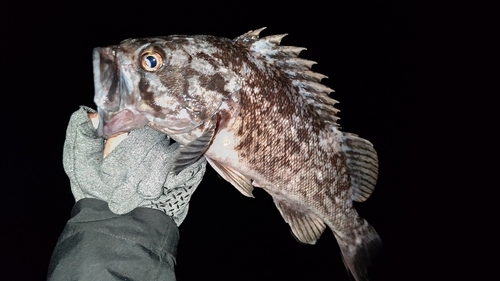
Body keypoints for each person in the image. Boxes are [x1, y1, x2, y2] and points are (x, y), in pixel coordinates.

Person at [47, 106, 207, 281]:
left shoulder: (87, 181)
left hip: (104, 242)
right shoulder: (89, 181)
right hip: (140, 242)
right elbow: (196, 154)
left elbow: (81, 132)